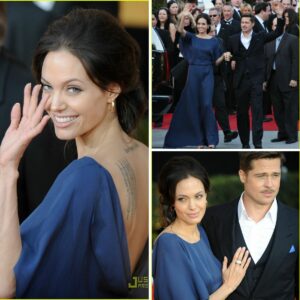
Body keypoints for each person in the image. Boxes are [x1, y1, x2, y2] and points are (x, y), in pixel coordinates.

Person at [0, 8, 148, 298]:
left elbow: (6, 285)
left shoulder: (84, 178)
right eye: (47, 87)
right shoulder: (143, 154)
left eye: (73, 89)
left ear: (112, 91)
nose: (54, 104)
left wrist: (6, 168)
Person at [203, 152, 299, 299]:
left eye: (275, 175)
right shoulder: (211, 219)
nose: (270, 184)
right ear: (243, 176)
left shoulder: (295, 221)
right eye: (261, 176)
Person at [153, 156, 251, 300]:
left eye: (198, 196)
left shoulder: (201, 232)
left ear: (206, 195)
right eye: (182, 199)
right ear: (172, 202)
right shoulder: (169, 244)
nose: (193, 206)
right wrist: (228, 286)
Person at [164, 12, 232, 148]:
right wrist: (184, 15)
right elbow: (179, 30)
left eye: (203, 24)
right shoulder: (192, 37)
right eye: (199, 23)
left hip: (207, 73)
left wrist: (224, 56)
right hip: (193, 72)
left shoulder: (214, 41)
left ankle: (211, 139)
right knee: (194, 105)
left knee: (206, 105)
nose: (201, 26)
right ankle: (199, 140)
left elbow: (215, 62)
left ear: (208, 26)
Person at [227, 8, 284, 149]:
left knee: (258, 112)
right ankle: (245, 143)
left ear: (252, 24)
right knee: (241, 113)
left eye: (247, 22)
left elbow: (277, 32)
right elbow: (228, 52)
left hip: (256, 80)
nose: (244, 25)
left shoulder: (260, 36)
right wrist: (229, 57)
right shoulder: (233, 39)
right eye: (242, 22)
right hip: (240, 81)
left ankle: (257, 143)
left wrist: (280, 16)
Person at [264, 17, 298, 144]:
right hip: (273, 79)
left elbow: (296, 60)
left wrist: (295, 78)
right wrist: (264, 80)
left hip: (289, 79)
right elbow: (266, 61)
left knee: (290, 109)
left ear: (283, 25)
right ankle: (282, 134)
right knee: (277, 109)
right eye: (273, 25)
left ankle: (292, 135)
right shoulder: (269, 41)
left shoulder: (293, 39)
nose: (275, 27)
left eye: (277, 25)